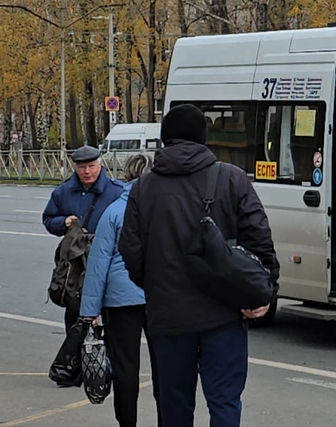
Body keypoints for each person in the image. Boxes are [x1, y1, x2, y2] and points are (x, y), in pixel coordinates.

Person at [120, 104, 279, 427]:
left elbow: (131, 253)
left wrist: (157, 285)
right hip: (223, 315)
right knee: (224, 402)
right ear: (203, 139)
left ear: (165, 140)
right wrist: (265, 292)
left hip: (167, 319)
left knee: (174, 407)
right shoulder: (231, 179)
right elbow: (260, 241)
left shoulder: (143, 188)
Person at [80, 154, 161, 427]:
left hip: (120, 300)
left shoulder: (114, 211)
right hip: (159, 297)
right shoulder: (164, 210)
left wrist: (90, 310)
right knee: (165, 365)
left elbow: (98, 263)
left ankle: (127, 423)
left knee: (126, 367)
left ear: (125, 175)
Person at [42, 145, 125, 331]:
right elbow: (48, 219)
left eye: (92, 166)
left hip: (107, 262)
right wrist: (64, 222)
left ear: (100, 165)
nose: (87, 171)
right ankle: (75, 356)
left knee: (111, 318)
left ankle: (109, 356)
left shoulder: (117, 191)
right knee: (75, 319)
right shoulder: (63, 192)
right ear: (74, 167)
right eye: (82, 167)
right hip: (76, 264)